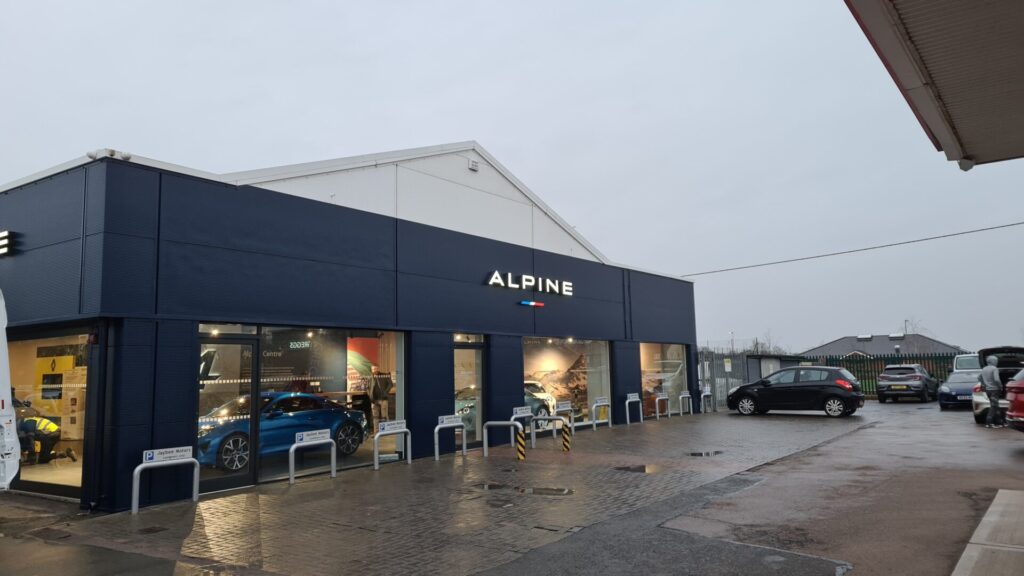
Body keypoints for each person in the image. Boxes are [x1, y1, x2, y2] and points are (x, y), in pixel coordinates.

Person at [980, 355, 1005, 428]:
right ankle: (989, 422)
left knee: (995, 405)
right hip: (995, 390)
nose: (997, 362)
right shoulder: (994, 369)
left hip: (988, 390)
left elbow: (979, 377)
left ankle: (1000, 422)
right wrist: (1000, 386)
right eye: (996, 361)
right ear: (992, 361)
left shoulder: (984, 369)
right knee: (994, 407)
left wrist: (984, 384)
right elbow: (996, 379)